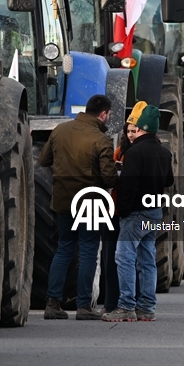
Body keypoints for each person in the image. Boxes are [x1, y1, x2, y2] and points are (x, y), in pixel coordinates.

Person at [39, 94, 119, 320]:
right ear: (103, 114)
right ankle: (83, 305)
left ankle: (52, 303)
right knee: (88, 252)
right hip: (90, 203)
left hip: (64, 201)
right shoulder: (100, 139)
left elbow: (43, 160)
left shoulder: (60, 130)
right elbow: (110, 178)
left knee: (64, 248)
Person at [103, 102, 173, 322]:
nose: (132, 132)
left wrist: (121, 210)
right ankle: (147, 308)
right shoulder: (164, 152)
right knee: (147, 260)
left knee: (124, 258)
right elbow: (169, 180)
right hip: (154, 211)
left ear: (142, 127)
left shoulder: (134, 153)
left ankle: (125, 306)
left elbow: (129, 187)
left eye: (135, 128)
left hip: (135, 213)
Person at [100, 122, 136, 313]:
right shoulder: (120, 151)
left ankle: (130, 301)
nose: (131, 135)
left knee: (128, 258)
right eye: (128, 131)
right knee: (110, 258)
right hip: (113, 209)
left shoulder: (140, 152)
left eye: (134, 131)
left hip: (130, 211)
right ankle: (111, 302)